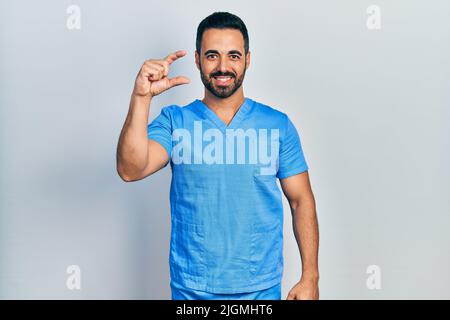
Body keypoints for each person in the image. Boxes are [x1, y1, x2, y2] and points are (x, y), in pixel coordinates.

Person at [116, 12, 319, 300]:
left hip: (260, 290)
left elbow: (301, 201)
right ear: (198, 60)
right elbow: (130, 169)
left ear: (248, 59)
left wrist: (310, 276)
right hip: (193, 291)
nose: (223, 66)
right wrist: (141, 98)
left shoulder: (277, 125)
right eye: (212, 56)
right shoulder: (175, 122)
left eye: (233, 56)